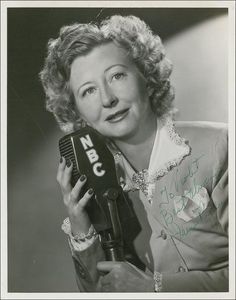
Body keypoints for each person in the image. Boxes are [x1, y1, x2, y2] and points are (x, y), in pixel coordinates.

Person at [39, 15, 228, 292]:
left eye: (117, 75)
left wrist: (156, 287)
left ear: (147, 76)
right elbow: (102, 292)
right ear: (77, 111)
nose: (107, 99)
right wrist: (83, 230)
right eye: (88, 90)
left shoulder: (220, 147)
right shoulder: (101, 183)